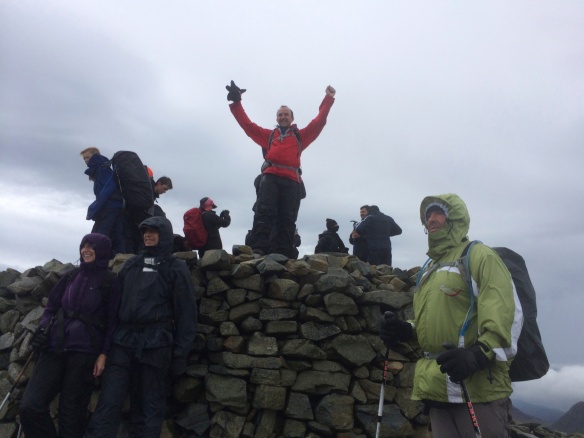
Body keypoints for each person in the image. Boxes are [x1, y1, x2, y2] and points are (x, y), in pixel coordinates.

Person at [379, 194, 522, 438]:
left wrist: (478, 355)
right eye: (428, 215)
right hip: (438, 388)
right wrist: (406, 329)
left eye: (439, 213)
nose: (431, 219)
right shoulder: (429, 267)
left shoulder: (479, 256)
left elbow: (506, 317)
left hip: (477, 388)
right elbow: (433, 322)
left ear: (455, 217)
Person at [85, 216, 198, 438]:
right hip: (122, 341)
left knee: (149, 405)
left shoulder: (175, 268)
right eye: (145, 230)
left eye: (153, 231)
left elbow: (186, 313)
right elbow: (113, 306)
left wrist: (180, 355)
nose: (148, 234)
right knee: (109, 401)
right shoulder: (132, 264)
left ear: (164, 234)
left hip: (156, 344)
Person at [19, 233, 121, 438]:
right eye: (83, 246)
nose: (86, 250)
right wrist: (44, 328)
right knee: (30, 406)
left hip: (85, 351)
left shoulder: (111, 281)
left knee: (71, 413)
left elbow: (113, 321)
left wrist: (104, 354)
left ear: (102, 251)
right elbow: (51, 308)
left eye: (91, 247)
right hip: (54, 345)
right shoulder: (71, 276)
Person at [227, 80, 336, 257]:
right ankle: (258, 248)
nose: (283, 117)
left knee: (288, 217)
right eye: (280, 115)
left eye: (286, 114)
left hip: (292, 180)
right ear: (276, 118)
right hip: (269, 177)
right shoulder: (269, 136)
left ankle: (283, 251)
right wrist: (236, 102)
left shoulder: (301, 136)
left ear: (292, 118)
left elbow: (319, 122)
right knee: (264, 213)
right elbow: (247, 126)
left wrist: (328, 99)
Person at [80, 147, 125, 255]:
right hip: (116, 206)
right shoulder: (102, 168)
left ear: (95, 156)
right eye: (84, 158)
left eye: (88, 157)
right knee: (117, 233)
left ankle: (96, 258)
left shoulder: (102, 169)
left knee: (99, 234)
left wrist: (95, 207)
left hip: (110, 206)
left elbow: (109, 188)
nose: (86, 160)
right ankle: (121, 257)